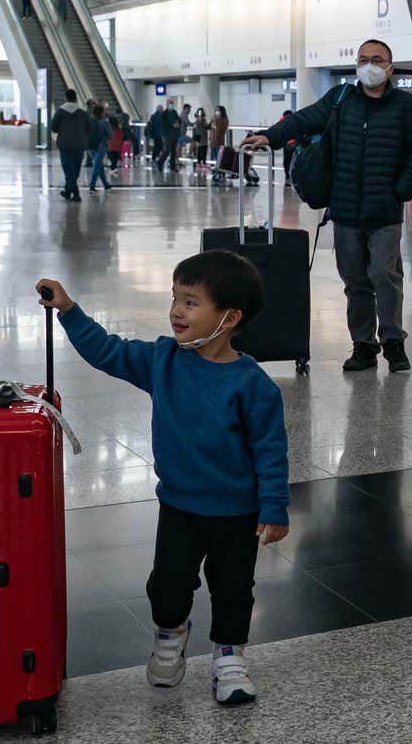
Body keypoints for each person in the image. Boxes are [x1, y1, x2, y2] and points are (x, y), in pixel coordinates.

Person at [34, 251, 288, 705]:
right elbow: (107, 351)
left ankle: (229, 657)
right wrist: (68, 311)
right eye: (175, 299)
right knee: (168, 585)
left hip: (237, 512)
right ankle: (171, 634)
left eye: (190, 302)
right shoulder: (163, 361)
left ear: (229, 317)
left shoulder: (253, 386)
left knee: (234, 589)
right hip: (179, 506)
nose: (176, 311)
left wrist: (275, 508)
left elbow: (270, 451)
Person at [244, 40, 412, 374]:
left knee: (384, 276)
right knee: (355, 281)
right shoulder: (341, 99)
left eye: (377, 60)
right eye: (363, 59)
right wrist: (269, 137)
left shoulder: (404, 106)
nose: (369, 65)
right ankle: (363, 345)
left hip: (384, 211)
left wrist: (400, 190)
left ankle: (392, 341)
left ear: (390, 66)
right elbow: (303, 120)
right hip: (344, 210)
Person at [50, 88, 90, 201]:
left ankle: (76, 193)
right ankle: (68, 191)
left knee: (68, 168)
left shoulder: (60, 112)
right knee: (75, 169)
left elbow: (53, 127)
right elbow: (88, 128)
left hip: (65, 144)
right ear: (76, 98)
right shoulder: (83, 113)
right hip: (80, 145)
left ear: (65, 98)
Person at [87, 102, 114, 193]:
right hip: (101, 146)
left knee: (99, 165)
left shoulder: (89, 121)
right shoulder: (104, 122)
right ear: (102, 112)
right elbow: (110, 135)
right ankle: (92, 186)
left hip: (90, 146)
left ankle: (105, 184)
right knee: (97, 165)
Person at [211, 105, 230, 172]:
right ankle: (216, 171)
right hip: (213, 142)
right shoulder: (214, 119)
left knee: (220, 158)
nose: (217, 112)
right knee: (215, 158)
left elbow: (221, 130)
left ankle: (220, 171)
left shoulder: (224, 120)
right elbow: (211, 129)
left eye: (218, 110)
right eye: (216, 110)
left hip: (219, 142)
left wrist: (216, 121)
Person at [192, 107, 210, 171]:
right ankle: (203, 163)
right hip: (202, 136)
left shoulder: (198, 119)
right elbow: (206, 126)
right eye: (202, 111)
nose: (203, 113)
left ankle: (199, 163)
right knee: (203, 149)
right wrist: (211, 122)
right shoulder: (201, 119)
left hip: (199, 136)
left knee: (200, 149)